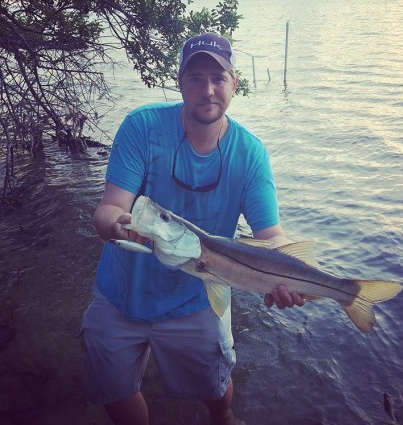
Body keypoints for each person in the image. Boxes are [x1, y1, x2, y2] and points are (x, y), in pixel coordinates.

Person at [81, 32, 305, 425]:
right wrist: (119, 226)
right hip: (119, 293)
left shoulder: (250, 153)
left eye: (218, 78)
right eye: (196, 77)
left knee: (215, 387)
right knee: (114, 390)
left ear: (235, 83)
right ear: (180, 82)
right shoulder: (142, 127)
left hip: (198, 297)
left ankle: (223, 418)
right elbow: (109, 209)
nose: (208, 90)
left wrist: (293, 277)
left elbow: (271, 237)